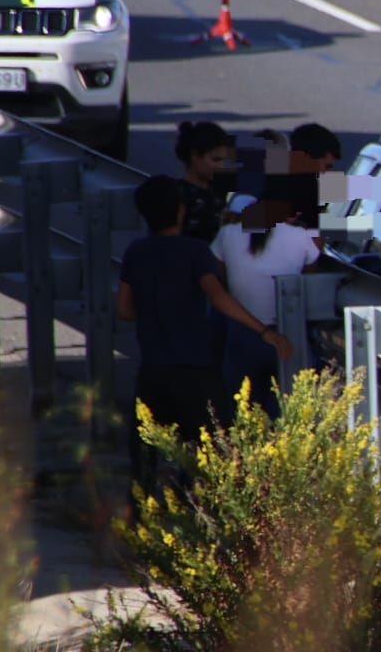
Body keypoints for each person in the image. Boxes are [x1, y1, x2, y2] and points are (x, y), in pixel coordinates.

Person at [118, 177, 294, 487]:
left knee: (145, 451)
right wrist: (263, 331)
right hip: (196, 368)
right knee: (211, 450)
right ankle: (199, 516)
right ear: (180, 211)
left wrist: (156, 316)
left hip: (154, 368)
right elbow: (219, 298)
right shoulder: (195, 252)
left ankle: (139, 520)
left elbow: (124, 309)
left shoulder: (136, 252)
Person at [210, 197, 321, 417]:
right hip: (287, 334)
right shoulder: (300, 236)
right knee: (289, 413)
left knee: (242, 412)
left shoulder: (228, 234)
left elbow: (218, 277)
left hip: (242, 335)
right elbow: (308, 280)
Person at [175, 120, 238, 243]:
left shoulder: (224, 191)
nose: (221, 166)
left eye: (223, 161)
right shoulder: (176, 195)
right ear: (195, 156)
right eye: (215, 160)